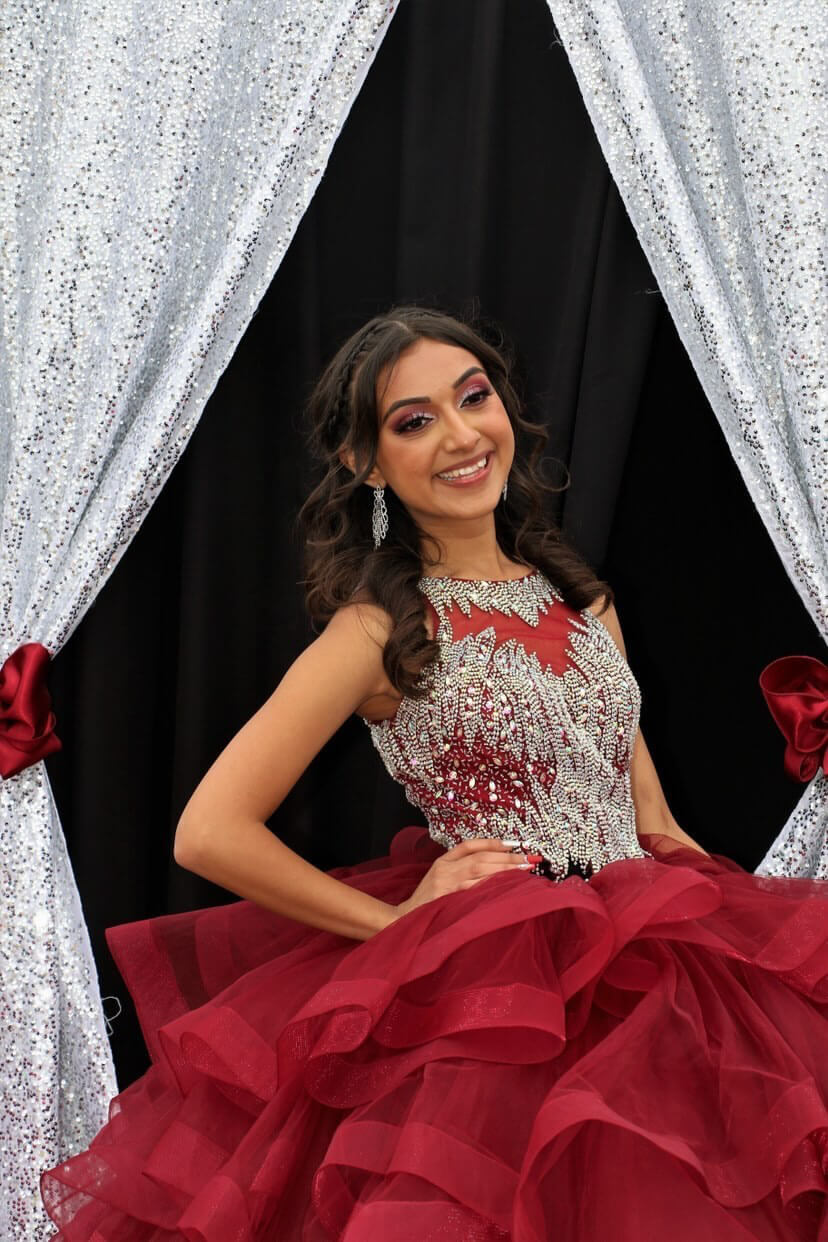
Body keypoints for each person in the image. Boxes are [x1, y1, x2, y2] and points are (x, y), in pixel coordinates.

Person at [42, 307, 827, 1240]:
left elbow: (647, 815)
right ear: (366, 463)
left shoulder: (586, 602)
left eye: (473, 398)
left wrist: (746, 956)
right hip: (489, 992)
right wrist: (398, 925)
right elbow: (208, 831)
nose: (461, 436)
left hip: (649, 970)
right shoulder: (373, 631)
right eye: (414, 421)